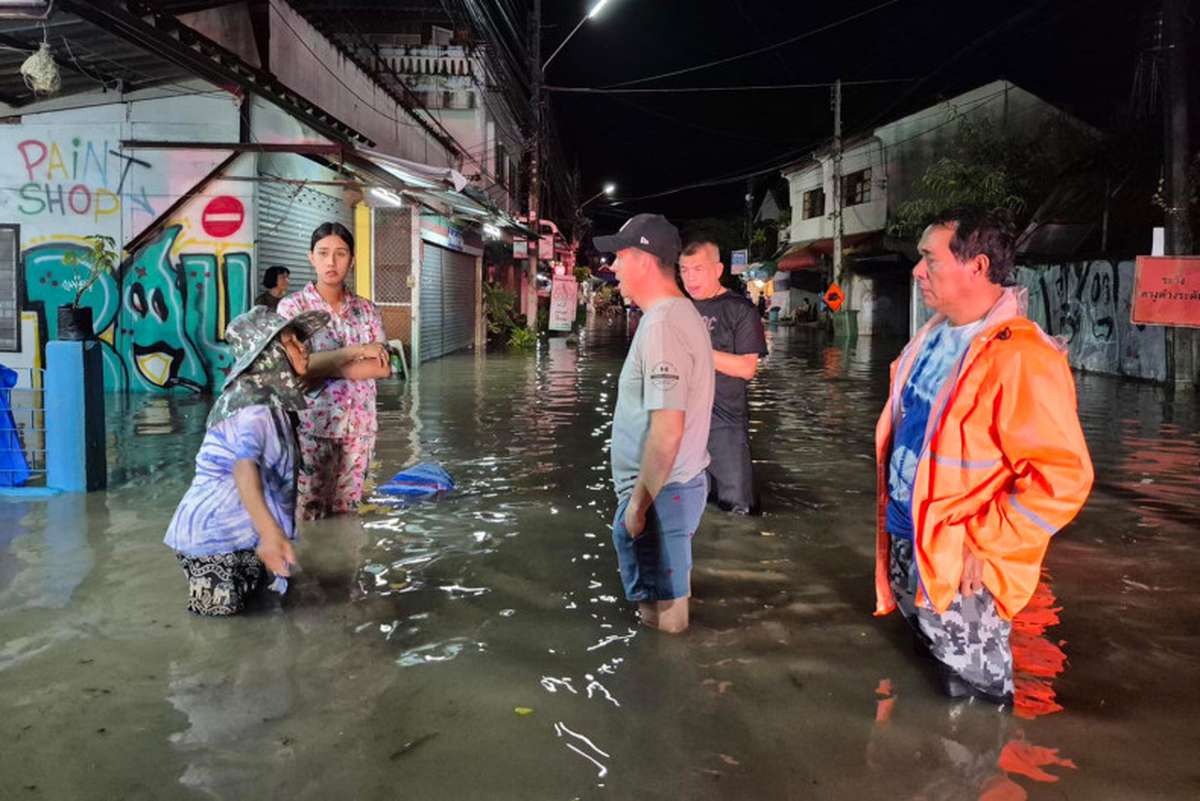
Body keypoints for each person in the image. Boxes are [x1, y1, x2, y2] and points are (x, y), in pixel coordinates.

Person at [874, 207, 1093, 704]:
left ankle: (977, 776)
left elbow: (1062, 478)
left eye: (929, 258)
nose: (916, 269)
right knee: (928, 673)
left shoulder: (1021, 356)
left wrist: (989, 541)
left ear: (975, 266)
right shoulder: (934, 335)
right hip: (914, 538)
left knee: (975, 700)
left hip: (967, 560)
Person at [164, 305, 329, 615]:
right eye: (292, 341)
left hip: (243, 535)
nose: (303, 346)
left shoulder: (265, 399)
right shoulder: (255, 408)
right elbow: (244, 468)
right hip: (213, 542)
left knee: (255, 621)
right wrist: (270, 533)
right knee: (219, 638)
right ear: (270, 354)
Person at [594, 214, 715, 634]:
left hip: (663, 494)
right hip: (676, 488)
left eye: (620, 256)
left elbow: (667, 430)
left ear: (644, 260)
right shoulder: (682, 314)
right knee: (665, 602)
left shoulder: (663, 324)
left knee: (664, 619)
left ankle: (665, 691)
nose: (613, 267)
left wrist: (637, 506)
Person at [277, 222, 390, 520]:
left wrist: (319, 366)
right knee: (308, 514)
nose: (331, 261)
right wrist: (356, 353)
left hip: (360, 430)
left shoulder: (366, 310)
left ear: (351, 260)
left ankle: (346, 565)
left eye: (340, 254)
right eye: (323, 253)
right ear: (310, 257)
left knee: (347, 514)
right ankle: (310, 567)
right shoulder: (292, 309)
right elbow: (295, 367)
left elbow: (381, 368)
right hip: (311, 429)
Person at [678, 238, 768, 515]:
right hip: (685, 422)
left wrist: (698, 350)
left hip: (726, 424)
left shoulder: (740, 309)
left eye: (698, 269)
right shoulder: (681, 308)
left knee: (739, 509)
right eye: (684, 270)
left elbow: (746, 368)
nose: (690, 278)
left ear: (718, 270)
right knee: (693, 507)